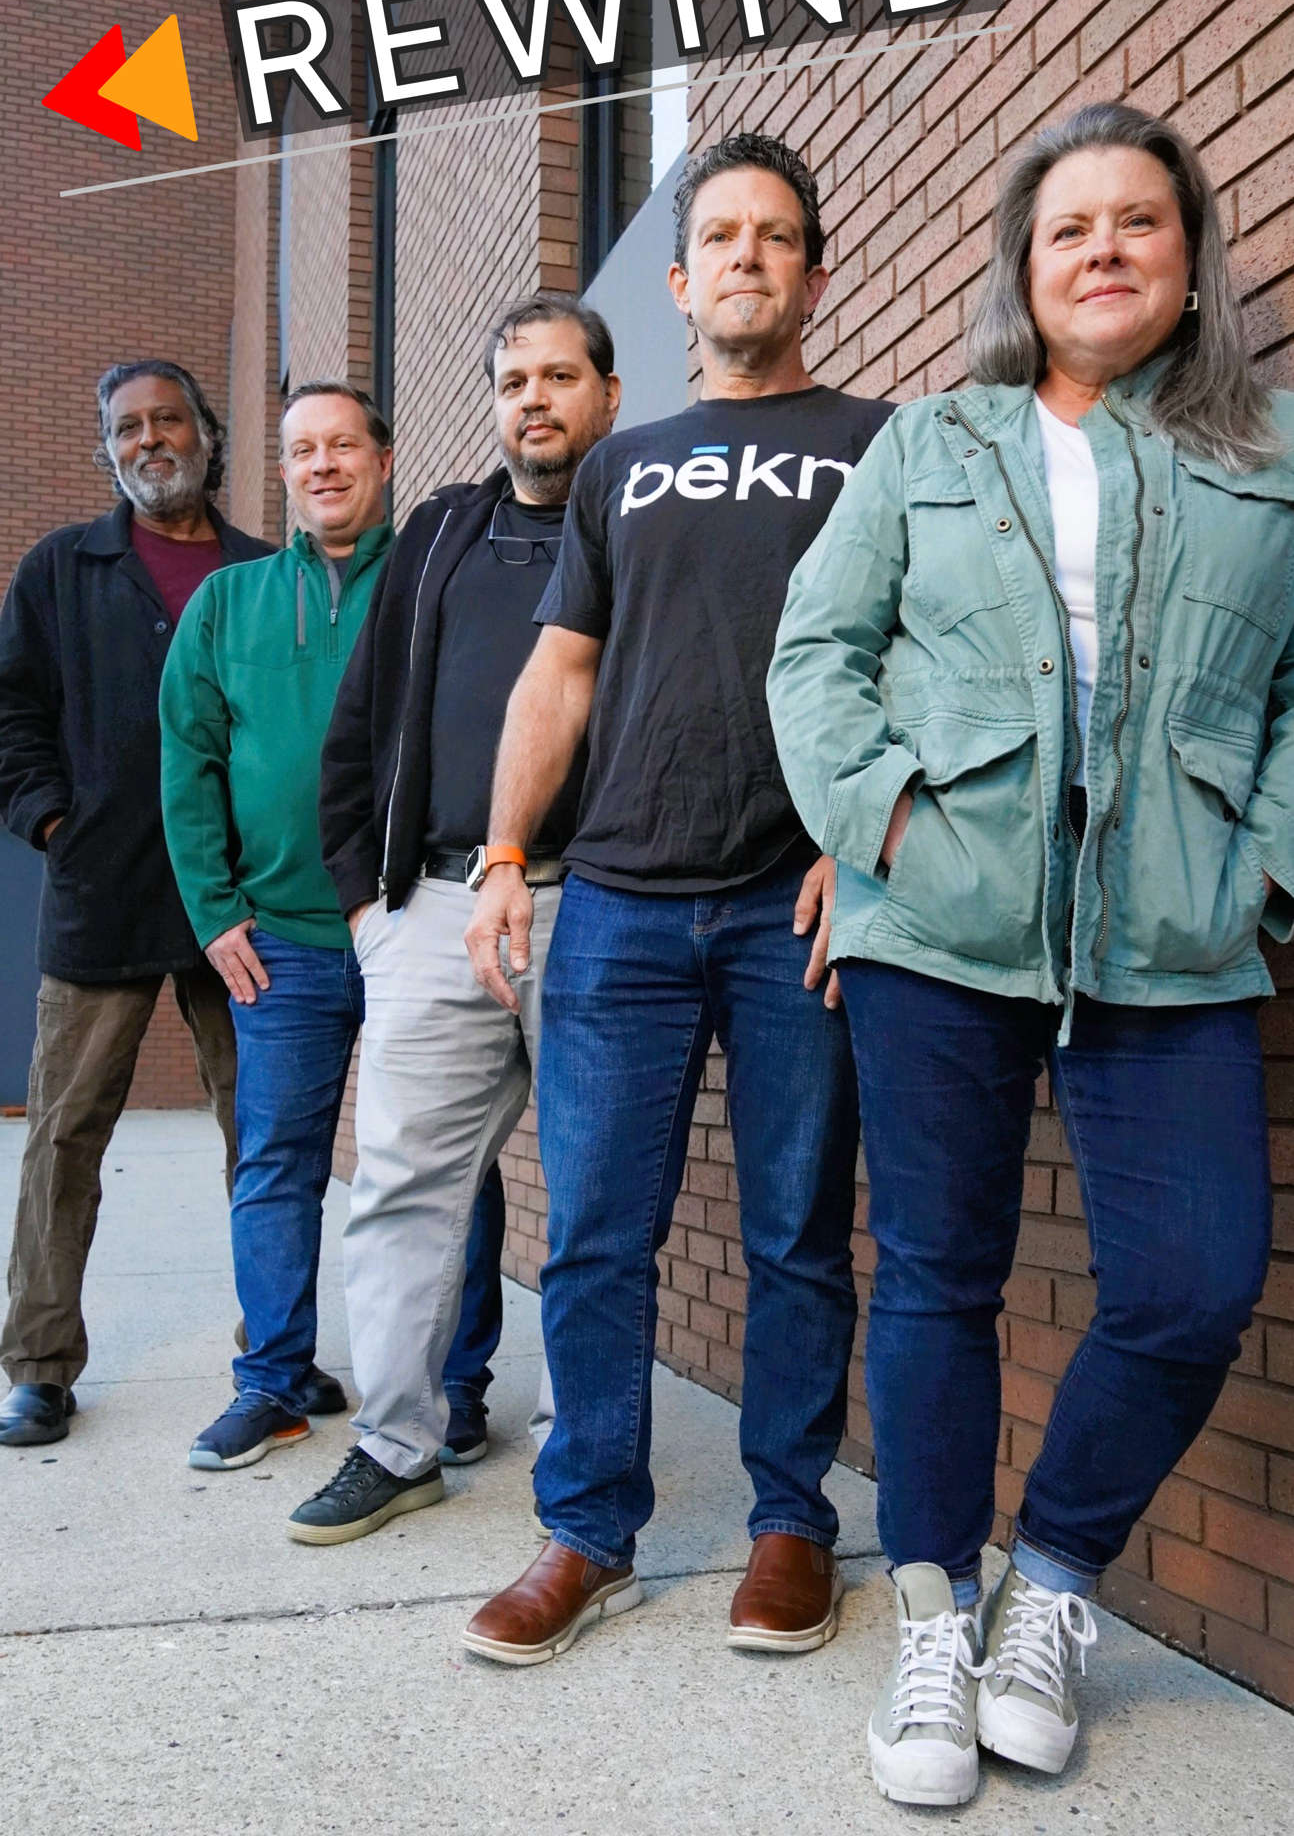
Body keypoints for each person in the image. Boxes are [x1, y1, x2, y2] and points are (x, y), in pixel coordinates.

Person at [767, 102, 1290, 1807]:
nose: (1103, 253)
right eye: (1068, 228)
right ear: (1020, 262)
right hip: (939, 926)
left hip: (1171, 938)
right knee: (933, 1267)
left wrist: (1256, 871)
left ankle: (1046, 1583)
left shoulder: (1261, 452)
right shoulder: (929, 439)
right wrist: (886, 830)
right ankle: (931, 1607)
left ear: (1189, 258)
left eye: (1137, 222)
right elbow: (813, 659)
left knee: (1191, 1280)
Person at [461, 134, 892, 1667]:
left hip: (794, 904)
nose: (748, 258)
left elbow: (920, 657)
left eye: (777, 236)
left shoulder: (879, 444)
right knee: (592, 1235)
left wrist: (865, 832)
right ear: (678, 280)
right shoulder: (619, 470)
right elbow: (559, 671)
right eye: (722, 237)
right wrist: (507, 856)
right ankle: (586, 1530)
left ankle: (789, 1521)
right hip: (623, 910)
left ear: (813, 274)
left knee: (792, 1234)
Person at [288, 293, 620, 1545]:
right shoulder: (438, 533)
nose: (532, 398)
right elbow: (364, 715)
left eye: (557, 376)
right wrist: (365, 897)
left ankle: (589, 1455)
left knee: (597, 1199)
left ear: (607, 396)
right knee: (401, 1185)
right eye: (512, 380)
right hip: (428, 902)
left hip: (595, 901)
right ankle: (395, 1438)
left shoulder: (636, 522)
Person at [0, 361, 271, 1447]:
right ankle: (38, 1362)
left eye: (169, 419)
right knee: (64, 1133)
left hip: (238, 901)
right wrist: (52, 823)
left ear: (209, 433)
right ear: (105, 447)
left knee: (263, 1132)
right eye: (128, 426)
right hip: (101, 891)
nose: (151, 438)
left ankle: (277, 1350)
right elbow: (12, 712)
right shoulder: (63, 568)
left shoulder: (264, 571)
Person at [159, 381, 395, 1469]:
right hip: (283, 941)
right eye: (303, 449)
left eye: (343, 444)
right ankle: (277, 1379)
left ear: (379, 460)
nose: (324, 464)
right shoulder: (227, 601)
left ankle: (456, 1380)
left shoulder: (426, 582)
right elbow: (189, 763)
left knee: (441, 1162)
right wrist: (216, 913)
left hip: (407, 925)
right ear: (285, 471)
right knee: (276, 1163)